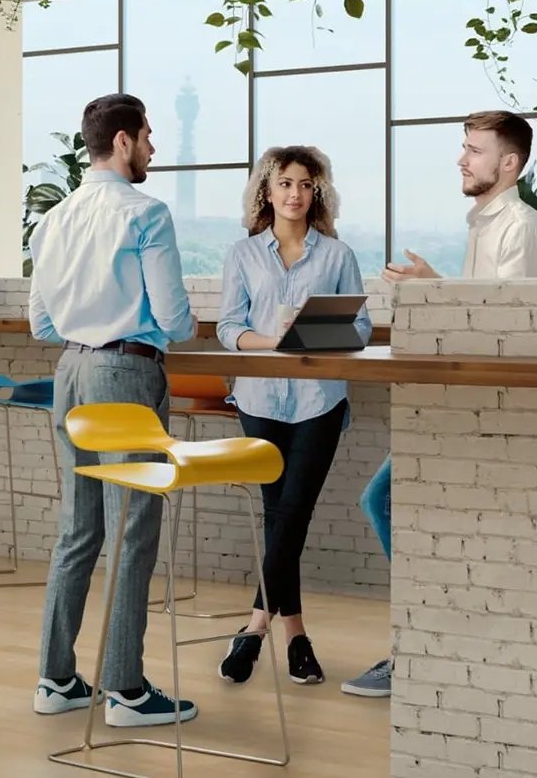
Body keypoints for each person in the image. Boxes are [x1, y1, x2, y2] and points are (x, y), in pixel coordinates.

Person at [344, 109, 537, 698]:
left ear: (509, 164)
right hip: (463, 408)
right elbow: (481, 313)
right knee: (391, 501)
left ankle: (431, 641)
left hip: (499, 416)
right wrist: (434, 285)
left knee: (387, 498)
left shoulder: (521, 227)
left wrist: (434, 292)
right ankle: (429, 638)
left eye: (475, 150)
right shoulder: (485, 224)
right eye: (463, 147)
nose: (462, 159)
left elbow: (513, 331)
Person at [29, 93, 199, 728]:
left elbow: (42, 322)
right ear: (123, 141)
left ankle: (57, 680)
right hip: (125, 371)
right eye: (149, 136)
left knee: (78, 530)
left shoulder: (52, 221)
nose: (153, 147)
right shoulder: (146, 213)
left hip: (69, 371)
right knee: (131, 532)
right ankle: (127, 689)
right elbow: (177, 319)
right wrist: (143, 324)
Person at [215, 145, 372, 686]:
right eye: (284, 183)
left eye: (305, 185)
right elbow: (228, 327)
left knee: (292, 514)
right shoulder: (242, 254)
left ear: (317, 193)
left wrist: (315, 336)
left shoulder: (336, 255)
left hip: (317, 402)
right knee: (280, 517)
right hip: (259, 401)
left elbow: (361, 328)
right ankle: (297, 639)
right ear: (267, 190)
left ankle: (253, 630)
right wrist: (272, 340)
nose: (295, 194)